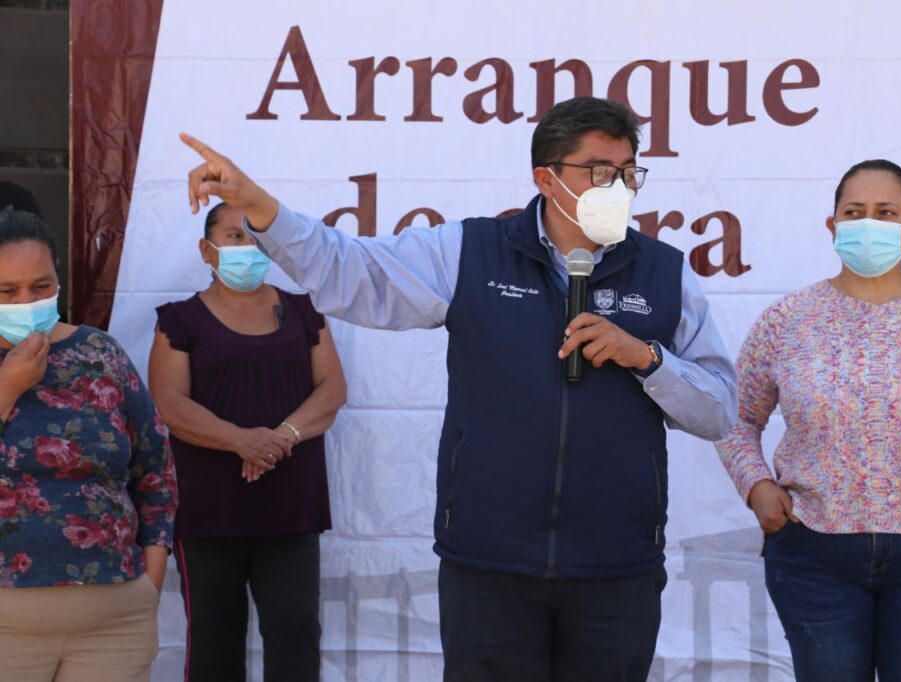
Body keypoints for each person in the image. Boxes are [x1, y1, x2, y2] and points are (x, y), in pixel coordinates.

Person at [180, 96, 738, 682]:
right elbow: (349, 272)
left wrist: (648, 359)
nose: (617, 187)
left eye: (628, 173)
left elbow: (719, 410)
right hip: (490, 565)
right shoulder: (471, 252)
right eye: (599, 171)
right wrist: (259, 208)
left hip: (616, 568)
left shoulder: (665, 272)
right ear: (545, 178)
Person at [715, 159, 901, 681]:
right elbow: (733, 416)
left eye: (885, 213)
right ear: (833, 226)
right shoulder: (789, 320)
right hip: (815, 553)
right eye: (854, 212)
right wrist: (757, 486)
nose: (868, 224)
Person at [148, 202, 347, 682]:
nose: (248, 247)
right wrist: (241, 441)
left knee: (296, 631)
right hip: (208, 510)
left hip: (290, 507)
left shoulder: (304, 311)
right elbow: (170, 403)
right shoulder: (180, 321)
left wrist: (278, 439)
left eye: (256, 237)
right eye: (235, 237)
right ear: (206, 249)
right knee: (215, 637)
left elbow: (332, 391)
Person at [0, 208, 177, 682]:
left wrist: (151, 578)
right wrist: (7, 387)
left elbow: (155, 469)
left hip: (114, 622)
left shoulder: (100, 353)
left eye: (40, 287)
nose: (25, 301)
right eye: (7, 291)